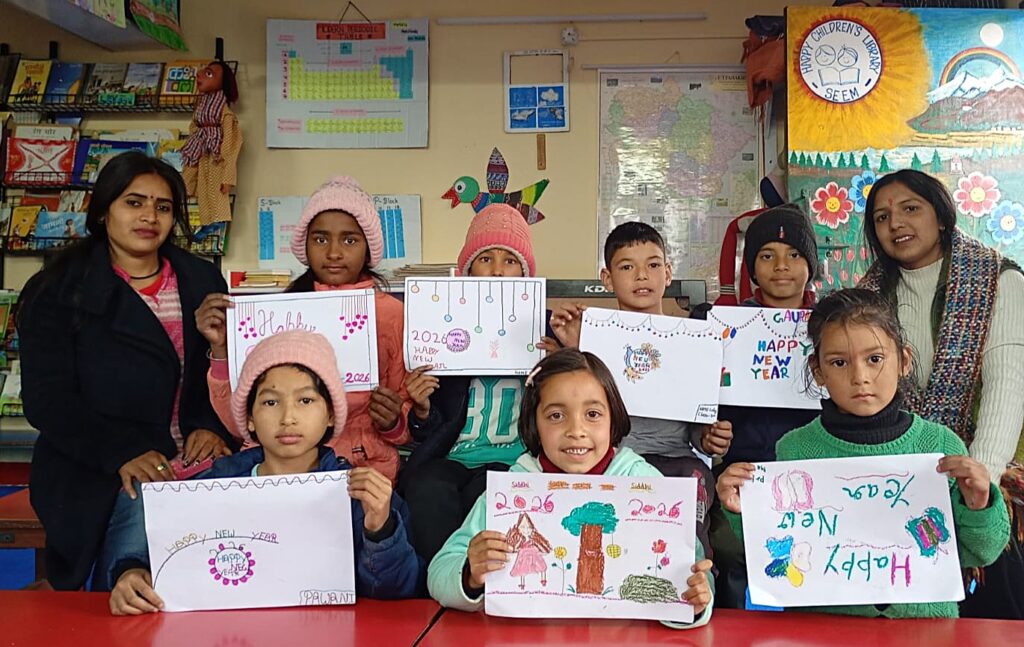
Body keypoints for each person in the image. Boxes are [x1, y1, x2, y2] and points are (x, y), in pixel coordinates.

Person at [717, 288, 1010, 618]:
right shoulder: (795, 450)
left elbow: (981, 553)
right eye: (839, 362)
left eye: (875, 359)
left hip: (925, 631)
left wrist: (980, 505)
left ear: (904, 361)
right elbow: (778, 558)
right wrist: (744, 512)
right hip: (822, 632)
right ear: (817, 371)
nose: (860, 377)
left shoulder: (939, 446)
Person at [18, 151, 235, 591]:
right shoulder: (58, 290)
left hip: (195, 460)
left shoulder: (201, 281)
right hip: (97, 466)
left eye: (163, 206)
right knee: (140, 554)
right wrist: (120, 453)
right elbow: (47, 400)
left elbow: (221, 370)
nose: (149, 217)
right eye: (134, 203)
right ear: (103, 211)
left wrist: (211, 427)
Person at [106, 331, 423, 614]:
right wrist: (130, 573)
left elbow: (396, 593)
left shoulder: (360, 495)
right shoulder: (207, 489)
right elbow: (167, 554)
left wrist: (380, 529)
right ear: (250, 418)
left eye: (305, 400)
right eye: (271, 402)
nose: (288, 417)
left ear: (330, 414)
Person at [428, 349, 715, 629]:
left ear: (613, 418)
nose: (576, 430)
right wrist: (470, 575)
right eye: (556, 415)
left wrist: (695, 600)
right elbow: (439, 571)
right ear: (533, 422)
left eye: (593, 414)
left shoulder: (644, 482)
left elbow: (694, 570)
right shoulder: (514, 492)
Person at [858, 169, 1024, 619]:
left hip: (983, 481)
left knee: (991, 619)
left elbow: (1006, 390)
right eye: (881, 217)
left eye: (910, 208)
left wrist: (975, 485)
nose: (895, 224)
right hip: (894, 487)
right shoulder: (866, 298)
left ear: (942, 215)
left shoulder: (999, 280)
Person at [197, 175, 413, 483]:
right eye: (320, 239)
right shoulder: (275, 315)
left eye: (350, 240)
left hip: (363, 470)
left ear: (368, 248)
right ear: (305, 244)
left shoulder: (392, 316)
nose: (334, 253)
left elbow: (407, 418)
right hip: (277, 468)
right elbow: (238, 421)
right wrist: (220, 351)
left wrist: (394, 421)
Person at [548, 222, 732, 556]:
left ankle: (696, 578)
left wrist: (707, 437)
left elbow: (696, 429)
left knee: (688, 510)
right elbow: (579, 407)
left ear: (668, 273)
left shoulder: (693, 341)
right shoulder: (592, 336)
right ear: (607, 279)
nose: (642, 276)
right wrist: (576, 350)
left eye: (653, 265)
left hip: (677, 459)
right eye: (627, 267)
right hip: (611, 459)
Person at [400, 204, 554, 561]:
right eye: (485, 259)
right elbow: (430, 428)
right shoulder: (443, 326)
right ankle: (433, 582)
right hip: (453, 455)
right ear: (467, 271)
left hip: (516, 459)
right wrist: (422, 409)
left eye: (510, 261)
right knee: (426, 487)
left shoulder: (546, 329)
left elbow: (569, 400)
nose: (497, 271)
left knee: (487, 496)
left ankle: (476, 582)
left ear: (525, 273)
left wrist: (561, 358)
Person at [692, 204, 821, 608]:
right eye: (767, 255)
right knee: (731, 549)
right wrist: (710, 433)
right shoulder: (725, 326)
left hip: (814, 473)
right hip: (743, 471)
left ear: (811, 265)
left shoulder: (830, 325)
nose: (781, 266)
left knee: (810, 559)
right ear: (750, 268)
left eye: (794, 255)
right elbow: (702, 404)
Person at [181, 60, 242, 225]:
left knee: (215, 192)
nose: (199, 75)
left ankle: (215, 224)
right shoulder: (200, 109)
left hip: (217, 157)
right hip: (199, 152)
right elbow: (193, 129)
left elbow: (231, 147)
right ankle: (203, 223)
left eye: (209, 74)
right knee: (196, 189)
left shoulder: (226, 116)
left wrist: (228, 177)